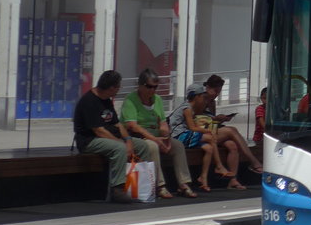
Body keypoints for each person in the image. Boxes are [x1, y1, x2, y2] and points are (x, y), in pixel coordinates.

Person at [73, 70, 159, 204]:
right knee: (119, 148)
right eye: (118, 87)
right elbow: (99, 131)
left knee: (142, 145)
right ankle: (117, 189)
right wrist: (122, 143)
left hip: (110, 137)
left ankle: (142, 184)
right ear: (111, 88)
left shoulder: (107, 100)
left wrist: (128, 140)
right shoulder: (89, 101)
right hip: (89, 141)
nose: (119, 90)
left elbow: (118, 124)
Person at [121, 68, 197, 198]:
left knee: (177, 145)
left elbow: (162, 123)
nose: (152, 90)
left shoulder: (157, 100)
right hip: (137, 137)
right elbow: (133, 126)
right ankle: (159, 185)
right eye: (149, 87)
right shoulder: (130, 100)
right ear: (140, 85)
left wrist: (166, 137)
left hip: (156, 135)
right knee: (152, 146)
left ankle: (184, 183)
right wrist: (156, 140)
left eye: (155, 87)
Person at [199, 75, 263, 184]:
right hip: (201, 133)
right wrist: (215, 119)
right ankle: (253, 161)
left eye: (219, 92)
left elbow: (212, 121)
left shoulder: (212, 102)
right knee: (231, 130)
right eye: (215, 91)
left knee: (232, 145)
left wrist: (221, 119)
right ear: (208, 88)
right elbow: (199, 120)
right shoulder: (200, 99)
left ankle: (233, 179)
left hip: (212, 130)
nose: (217, 94)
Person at [168, 84, 223, 192]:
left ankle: (203, 178)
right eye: (202, 96)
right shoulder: (187, 108)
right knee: (210, 138)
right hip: (179, 135)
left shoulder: (191, 109)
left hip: (185, 133)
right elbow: (192, 127)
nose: (203, 100)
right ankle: (219, 166)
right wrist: (208, 131)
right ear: (196, 96)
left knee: (209, 148)